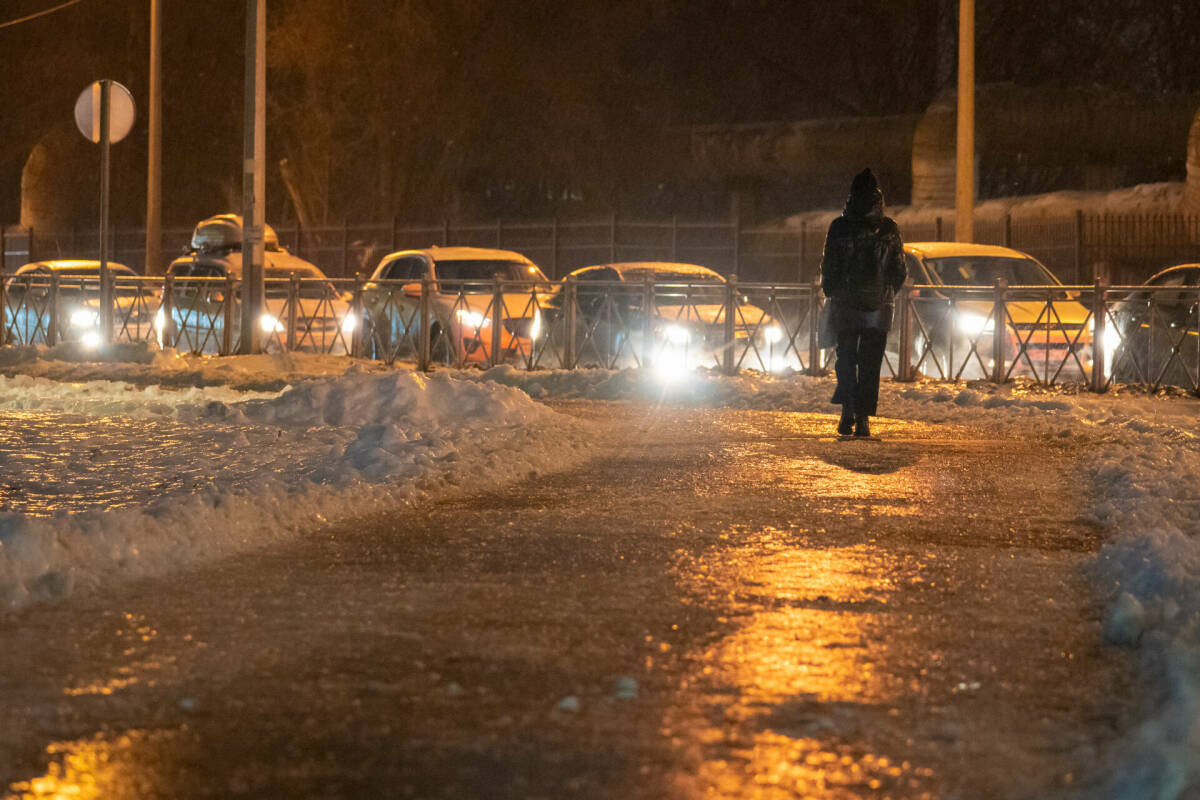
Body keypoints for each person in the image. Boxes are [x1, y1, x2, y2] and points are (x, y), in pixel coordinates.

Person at [820, 168, 906, 438]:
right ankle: (864, 420)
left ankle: (847, 411)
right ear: (878, 199)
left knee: (846, 358)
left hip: (846, 305)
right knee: (870, 364)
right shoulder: (889, 229)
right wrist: (887, 292)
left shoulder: (839, 227)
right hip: (878, 308)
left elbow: (829, 267)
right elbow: (899, 270)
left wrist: (832, 291)